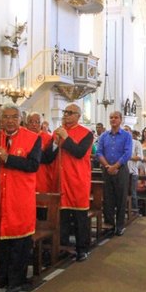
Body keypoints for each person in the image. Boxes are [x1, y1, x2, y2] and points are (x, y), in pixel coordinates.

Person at [0, 103, 42, 292]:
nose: (10, 121)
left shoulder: (33, 139)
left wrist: (8, 159)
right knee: (0, 240)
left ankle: (17, 280)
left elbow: (33, 165)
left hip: (20, 197)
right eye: (6, 117)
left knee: (19, 242)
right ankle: (0, 277)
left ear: (20, 119)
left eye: (14, 117)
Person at [43, 104, 93, 261]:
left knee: (79, 217)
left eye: (70, 113)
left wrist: (66, 137)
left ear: (78, 116)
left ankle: (82, 249)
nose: (66, 115)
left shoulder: (86, 134)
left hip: (77, 181)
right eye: (65, 112)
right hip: (60, 181)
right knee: (61, 218)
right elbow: (47, 157)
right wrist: (55, 143)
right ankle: (62, 247)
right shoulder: (57, 133)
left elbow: (79, 153)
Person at [96, 111, 132, 235]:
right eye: (111, 117)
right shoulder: (104, 136)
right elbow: (99, 152)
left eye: (116, 117)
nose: (113, 120)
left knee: (121, 198)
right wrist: (107, 166)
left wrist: (115, 166)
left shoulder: (126, 136)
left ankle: (120, 225)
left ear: (121, 120)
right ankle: (110, 224)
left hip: (121, 169)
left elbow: (127, 153)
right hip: (106, 169)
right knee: (108, 198)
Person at [125, 126, 143, 213]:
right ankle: (124, 210)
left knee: (132, 192)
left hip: (132, 171)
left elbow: (140, 157)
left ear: (130, 132)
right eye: (123, 130)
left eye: (127, 130)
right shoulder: (121, 143)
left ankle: (135, 211)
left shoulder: (136, 143)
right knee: (123, 192)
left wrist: (128, 157)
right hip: (122, 171)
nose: (125, 132)